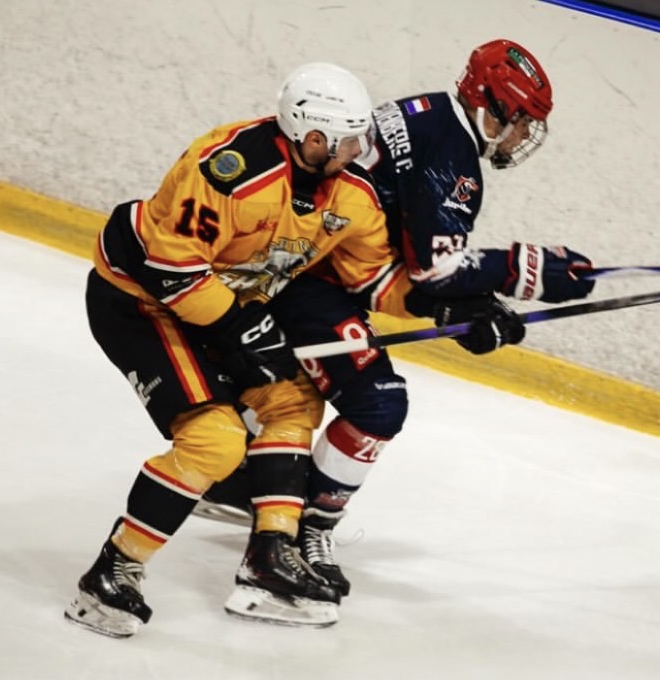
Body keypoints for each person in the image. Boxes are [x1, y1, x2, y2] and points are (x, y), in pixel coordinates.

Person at [64, 61, 517, 638]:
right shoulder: (229, 168)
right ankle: (110, 573)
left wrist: (452, 309)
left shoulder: (350, 193)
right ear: (313, 137)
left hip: (220, 304)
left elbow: (375, 279)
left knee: (294, 402)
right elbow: (170, 267)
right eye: (349, 141)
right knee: (216, 441)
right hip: (139, 301)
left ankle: (269, 559)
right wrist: (238, 326)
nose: (360, 151)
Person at [197, 39, 596, 598]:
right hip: (305, 276)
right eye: (523, 120)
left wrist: (469, 305)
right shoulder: (453, 156)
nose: (524, 134)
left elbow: (405, 260)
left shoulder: (426, 113)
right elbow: (436, 270)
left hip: (300, 262)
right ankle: (306, 528)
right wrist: (524, 270)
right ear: (493, 106)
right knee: (379, 401)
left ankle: (238, 480)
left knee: (322, 390)